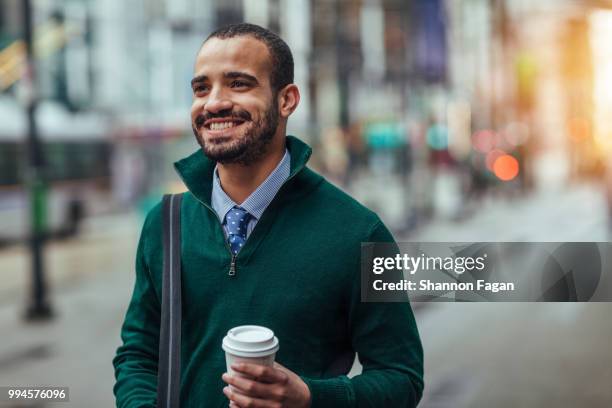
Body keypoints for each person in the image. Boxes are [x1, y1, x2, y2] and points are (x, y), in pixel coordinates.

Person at [113, 23, 424, 408]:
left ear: (287, 100)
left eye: (238, 84)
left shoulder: (361, 233)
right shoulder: (165, 223)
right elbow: (139, 356)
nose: (213, 103)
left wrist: (311, 398)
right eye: (201, 88)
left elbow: (402, 379)